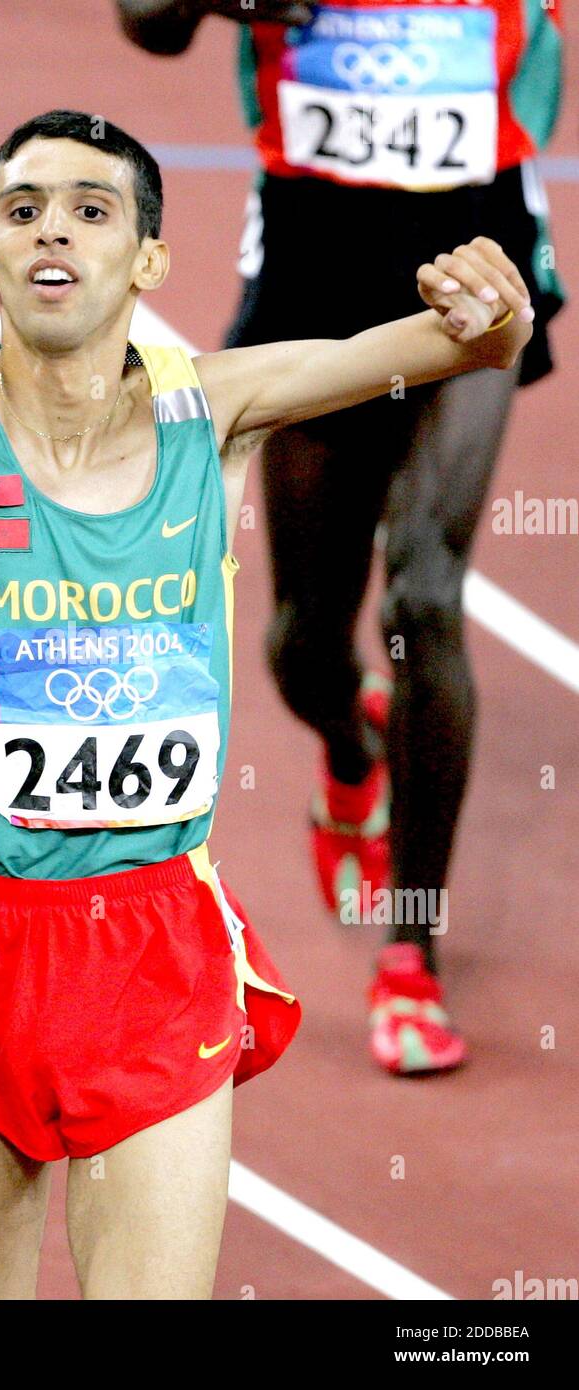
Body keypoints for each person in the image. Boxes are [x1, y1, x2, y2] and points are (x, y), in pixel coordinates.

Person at [0, 65, 533, 1299]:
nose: (51, 230)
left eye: (88, 209)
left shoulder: (213, 411)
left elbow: (450, 347)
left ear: (147, 261)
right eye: (20, 212)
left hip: (151, 945)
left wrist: (492, 305)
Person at [118, 0, 565, 1075]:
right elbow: (146, 19)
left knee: (422, 594)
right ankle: (350, 740)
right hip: (314, 257)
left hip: (477, 244)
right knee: (302, 640)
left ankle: (408, 950)